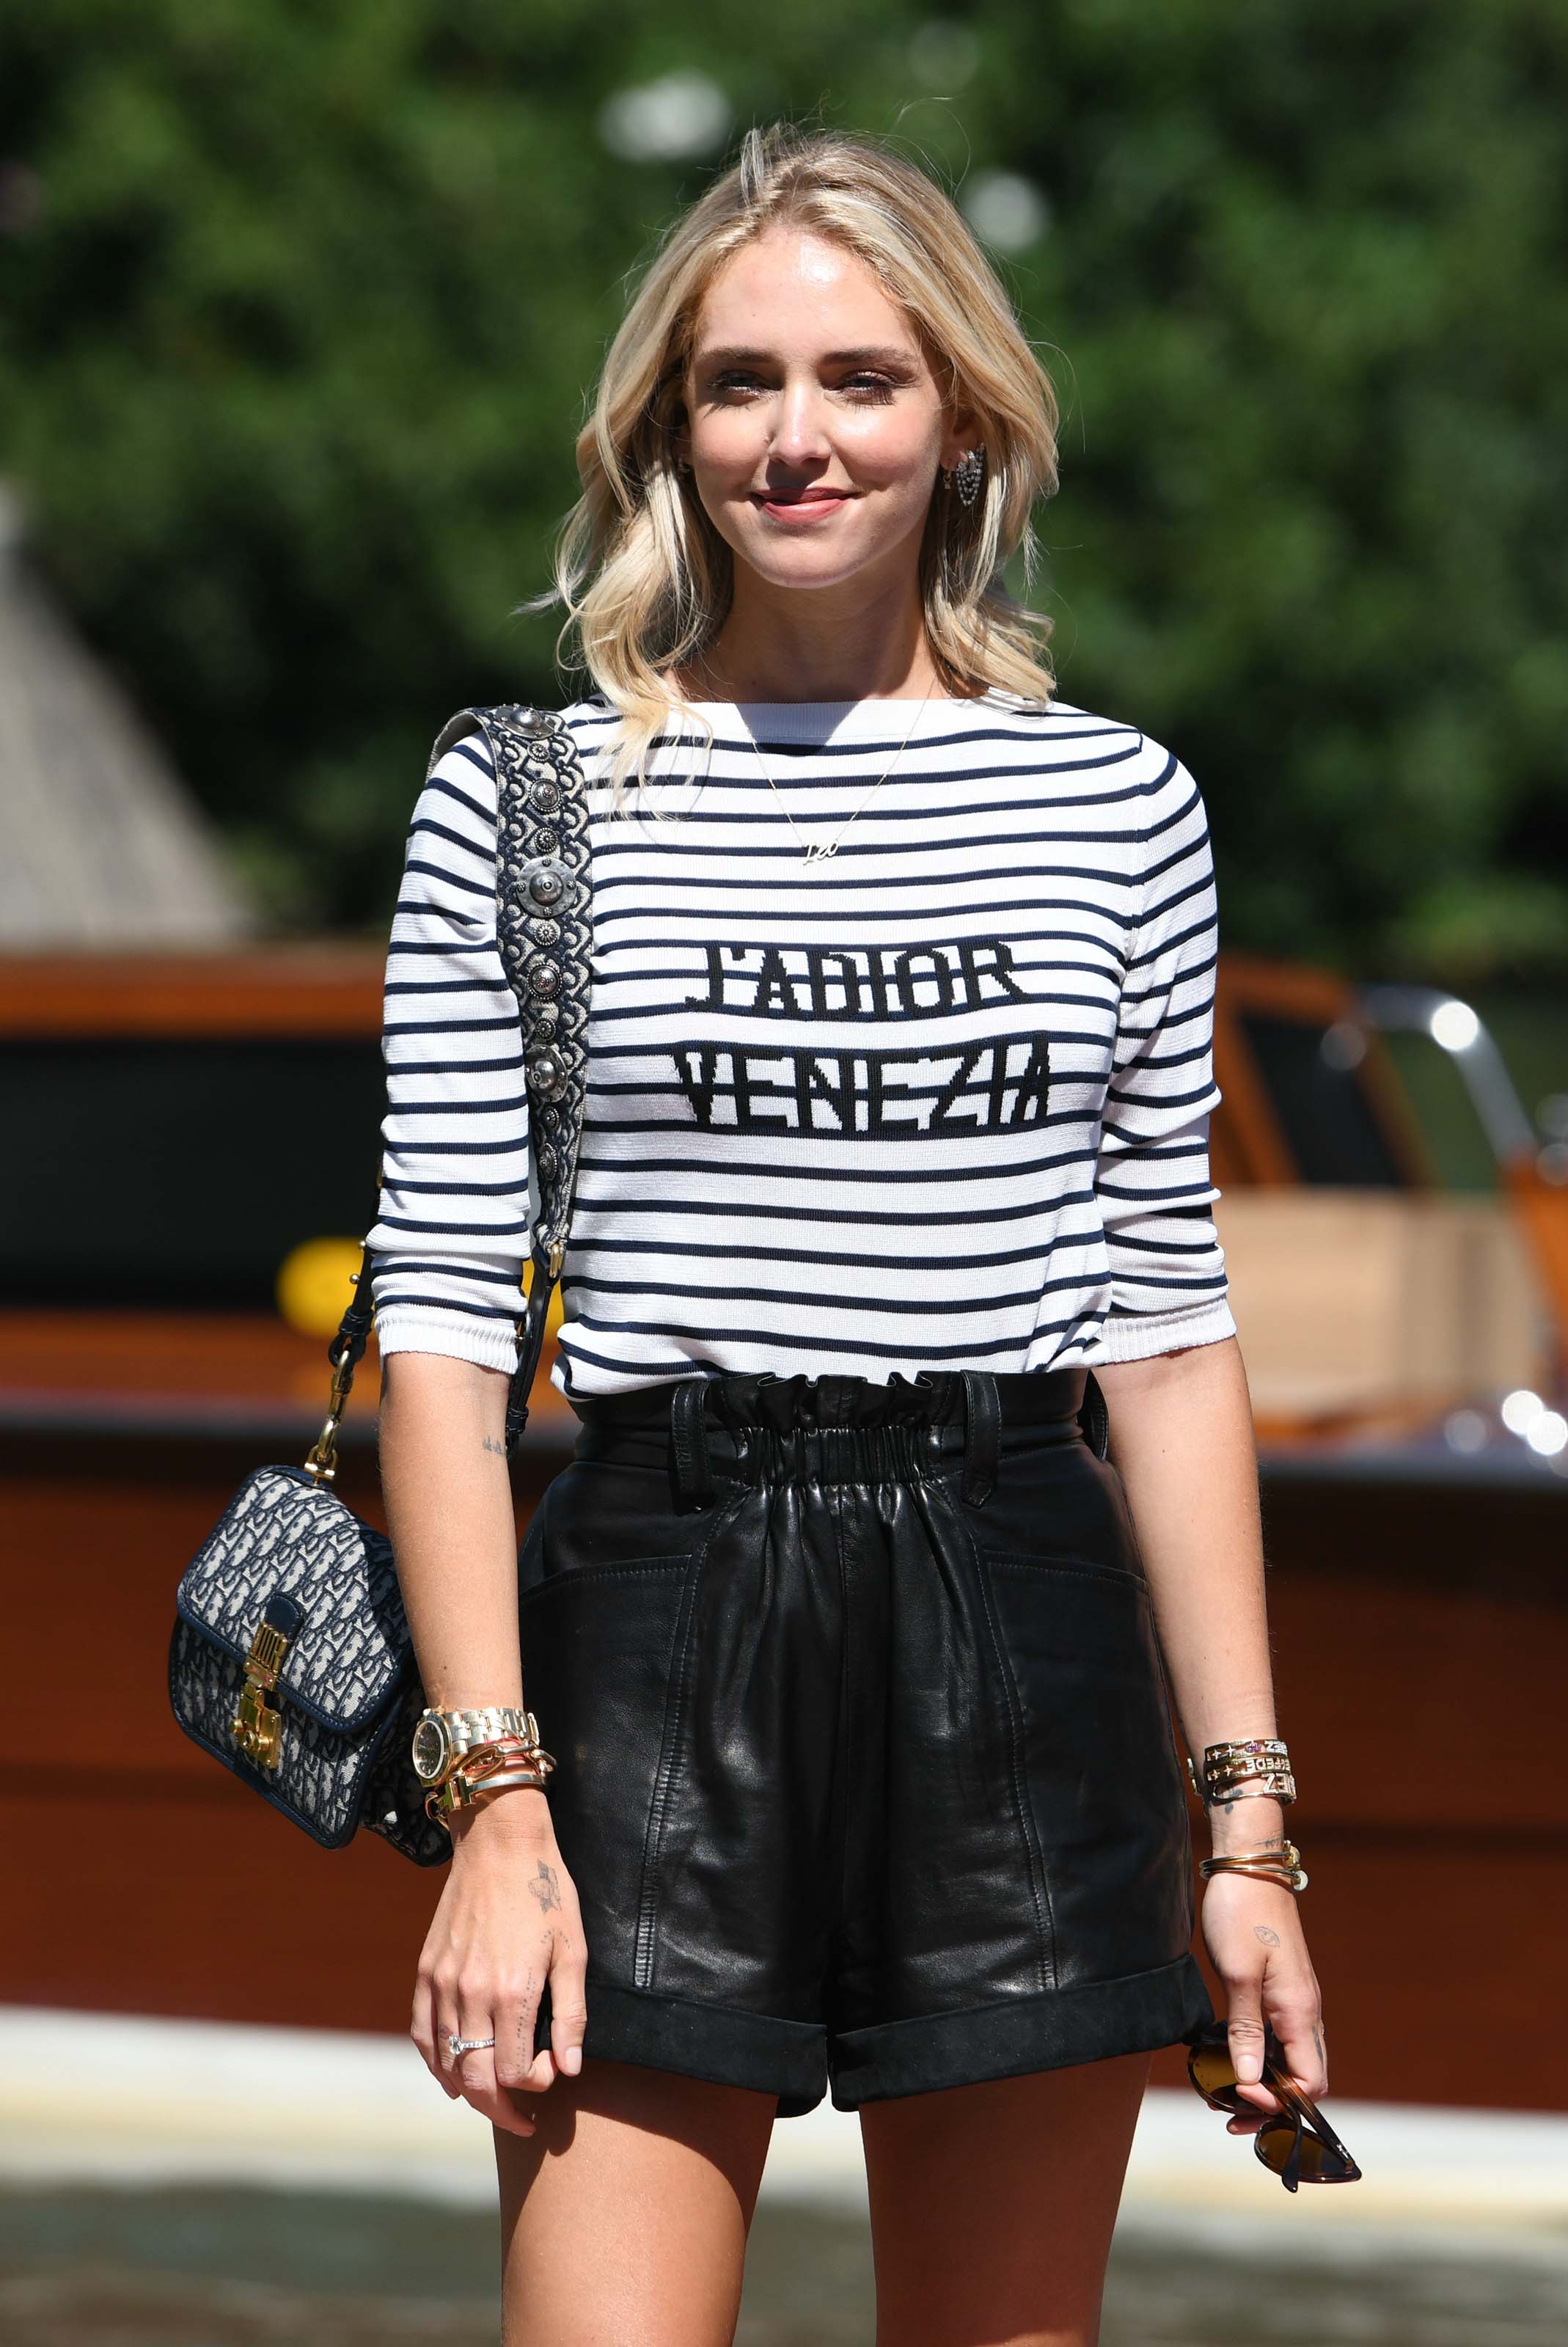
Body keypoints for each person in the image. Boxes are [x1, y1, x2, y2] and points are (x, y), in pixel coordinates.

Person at [371, 120, 1328, 2347]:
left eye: (860, 379)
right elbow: (438, 1324)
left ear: (965, 421)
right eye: (736, 384)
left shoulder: (1114, 798)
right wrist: (493, 1800)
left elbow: (1164, 1338)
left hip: (1015, 1591)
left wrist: (1248, 1833)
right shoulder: (524, 797)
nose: (794, 437)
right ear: (663, 433)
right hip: (651, 1608)